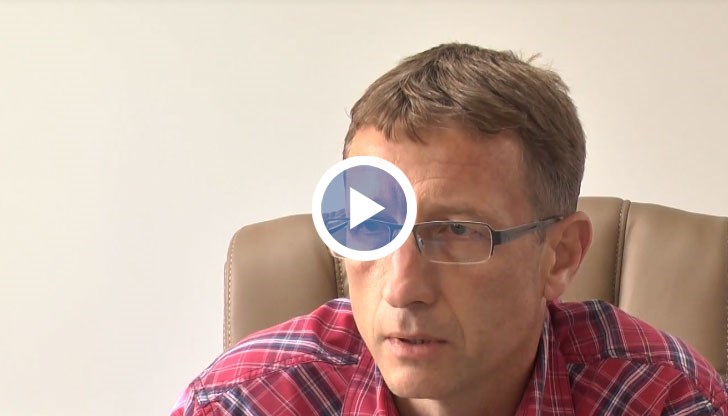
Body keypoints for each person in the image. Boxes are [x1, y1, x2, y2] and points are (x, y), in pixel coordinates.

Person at [170, 43, 727, 415]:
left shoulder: (666, 399)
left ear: (559, 256)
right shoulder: (242, 403)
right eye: (373, 226)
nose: (401, 288)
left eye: (457, 231)